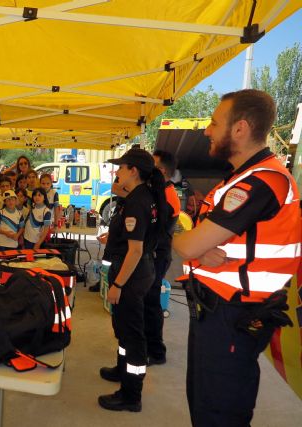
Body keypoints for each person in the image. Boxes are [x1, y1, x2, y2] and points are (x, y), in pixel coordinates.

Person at [172, 89, 301, 426]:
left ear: (240, 128)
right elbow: (198, 245)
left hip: (234, 315)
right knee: (204, 404)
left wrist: (189, 243)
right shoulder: (241, 179)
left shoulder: (260, 182)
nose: (207, 131)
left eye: (215, 123)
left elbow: (188, 246)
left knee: (219, 413)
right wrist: (197, 246)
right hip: (220, 311)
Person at [98, 148, 166, 413]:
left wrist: (117, 285)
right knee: (126, 330)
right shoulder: (141, 195)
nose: (117, 172)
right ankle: (123, 372)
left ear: (133, 171)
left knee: (133, 335)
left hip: (132, 274)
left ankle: (131, 395)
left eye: (121, 167)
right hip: (138, 270)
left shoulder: (137, 201)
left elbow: (135, 251)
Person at [143, 150, 180, 366]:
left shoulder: (168, 195)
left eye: (152, 165)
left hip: (159, 254)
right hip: (154, 252)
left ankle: (156, 351)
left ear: (162, 171)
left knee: (151, 301)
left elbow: (157, 230)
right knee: (147, 301)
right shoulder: (160, 192)